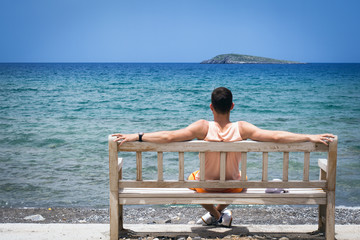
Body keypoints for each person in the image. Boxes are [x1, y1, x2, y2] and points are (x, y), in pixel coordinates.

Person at [112, 87, 334, 227]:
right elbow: (276, 136)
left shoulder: (202, 126)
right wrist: (308, 135)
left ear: (211, 107)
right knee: (242, 181)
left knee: (192, 179)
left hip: (205, 186)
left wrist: (138, 136)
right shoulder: (242, 128)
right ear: (232, 107)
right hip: (233, 187)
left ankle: (216, 215)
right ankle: (220, 214)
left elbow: (168, 136)